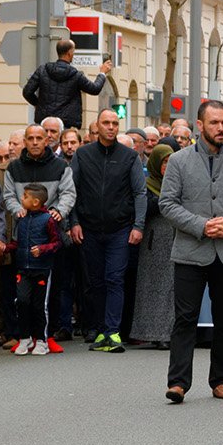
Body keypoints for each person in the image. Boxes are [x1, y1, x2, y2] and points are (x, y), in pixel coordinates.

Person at [159, 100, 223, 401]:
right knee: (185, 318)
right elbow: (167, 204)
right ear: (200, 125)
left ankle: (220, 379)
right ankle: (178, 382)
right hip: (191, 250)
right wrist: (200, 225)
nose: (221, 128)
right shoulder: (179, 161)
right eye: (215, 123)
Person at [69, 107, 146, 352]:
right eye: (106, 123)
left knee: (115, 279)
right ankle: (101, 329)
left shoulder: (129, 156)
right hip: (89, 228)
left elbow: (139, 192)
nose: (111, 127)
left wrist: (138, 225)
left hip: (120, 229)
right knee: (95, 281)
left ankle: (112, 331)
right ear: (97, 127)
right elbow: (72, 191)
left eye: (115, 123)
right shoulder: (82, 155)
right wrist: (74, 222)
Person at [0, 123, 77, 353]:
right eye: (30, 138)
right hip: (23, 237)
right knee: (23, 293)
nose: (34, 142)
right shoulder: (14, 168)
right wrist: (17, 209)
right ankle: (24, 336)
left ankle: (48, 335)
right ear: (25, 141)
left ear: (47, 141)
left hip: (50, 237)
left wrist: (59, 212)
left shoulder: (60, 166)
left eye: (39, 138)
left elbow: (68, 193)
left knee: (52, 290)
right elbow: (9, 195)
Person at [8, 183, 63, 355]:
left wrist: (43, 249)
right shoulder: (22, 219)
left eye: (25, 196)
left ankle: (41, 340)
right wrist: (4, 248)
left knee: (39, 305)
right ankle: (25, 338)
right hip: (23, 268)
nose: (21, 199)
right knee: (22, 302)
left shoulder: (48, 220)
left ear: (35, 201)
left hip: (42, 269)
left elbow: (57, 242)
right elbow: (17, 243)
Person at [130, 143, 176, 347]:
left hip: (175, 239)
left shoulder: (179, 182)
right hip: (153, 241)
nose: (167, 166)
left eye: (170, 161)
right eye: (164, 162)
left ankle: (167, 335)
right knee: (151, 288)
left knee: (171, 289)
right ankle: (149, 333)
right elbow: (144, 208)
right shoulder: (147, 184)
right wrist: (164, 197)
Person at [22, 39, 111, 129]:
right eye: (73, 51)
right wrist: (102, 73)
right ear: (69, 53)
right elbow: (94, 89)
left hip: (44, 123)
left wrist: (39, 105)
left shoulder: (42, 70)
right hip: (66, 124)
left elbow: (27, 92)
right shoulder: (76, 75)